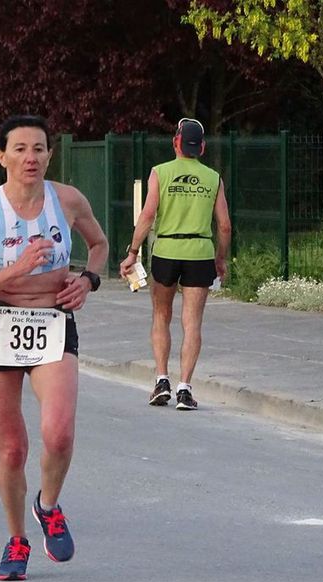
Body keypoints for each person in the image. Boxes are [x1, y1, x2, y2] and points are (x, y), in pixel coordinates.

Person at [0, 115, 108, 580]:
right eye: (20, 149)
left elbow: (99, 244)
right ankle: (17, 539)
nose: (31, 157)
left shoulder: (67, 200)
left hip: (52, 320)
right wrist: (16, 268)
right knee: (12, 448)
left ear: (49, 155)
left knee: (58, 432)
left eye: (39, 148)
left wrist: (88, 279)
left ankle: (49, 504)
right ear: (1, 156)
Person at [120, 117, 232, 411]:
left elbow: (147, 216)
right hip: (199, 251)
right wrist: (220, 258)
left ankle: (161, 381)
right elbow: (225, 226)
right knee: (192, 321)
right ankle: (185, 389)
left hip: (166, 250)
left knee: (161, 315)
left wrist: (133, 252)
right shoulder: (213, 178)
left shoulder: (160, 172)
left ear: (176, 143)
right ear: (203, 148)